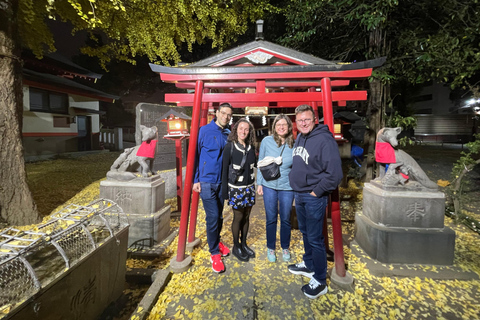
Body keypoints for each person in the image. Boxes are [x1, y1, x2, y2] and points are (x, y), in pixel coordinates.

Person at [287, 104, 343, 299]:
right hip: (300, 194)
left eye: (307, 120)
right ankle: (309, 264)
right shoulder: (301, 137)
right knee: (305, 232)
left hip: (313, 197)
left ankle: (320, 280)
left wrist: (316, 192)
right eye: (300, 120)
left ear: (314, 120)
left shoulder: (325, 140)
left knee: (315, 238)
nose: (303, 123)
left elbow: (335, 174)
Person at [193, 103, 233, 273]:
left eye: (229, 115)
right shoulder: (203, 130)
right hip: (206, 180)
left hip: (222, 181)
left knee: (220, 217)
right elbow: (194, 155)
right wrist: (196, 179)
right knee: (213, 216)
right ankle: (214, 253)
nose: (225, 117)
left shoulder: (229, 133)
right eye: (223, 113)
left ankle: (216, 241)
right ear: (216, 113)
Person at [256, 114, 295, 262]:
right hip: (269, 185)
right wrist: (259, 183)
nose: (281, 127)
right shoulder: (267, 141)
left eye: (284, 124)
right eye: (278, 124)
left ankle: (285, 247)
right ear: (274, 127)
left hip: (287, 186)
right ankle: (270, 247)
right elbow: (260, 162)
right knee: (271, 218)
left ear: (289, 126)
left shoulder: (294, 143)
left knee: (285, 218)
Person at [222, 118, 257, 262]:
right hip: (236, 189)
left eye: (246, 129)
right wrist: (225, 191)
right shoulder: (229, 147)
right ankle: (236, 246)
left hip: (249, 188)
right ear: (235, 130)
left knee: (247, 216)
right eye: (241, 128)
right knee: (238, 217)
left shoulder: (251, 147)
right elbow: (224, 170)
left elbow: (254, 166)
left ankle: (243, 244)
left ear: (250, 132)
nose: (243, 131)